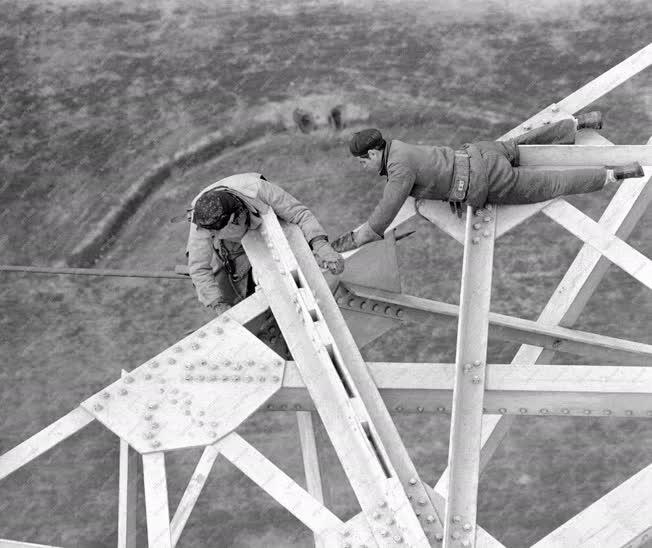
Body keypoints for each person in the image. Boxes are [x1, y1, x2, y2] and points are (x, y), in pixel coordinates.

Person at [332, 113, 644, 252]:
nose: (363, 167)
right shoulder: (399, 146)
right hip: (479, 152)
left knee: (548, 183)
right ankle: (578, 123)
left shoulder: (399, 170)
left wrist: (348, 243)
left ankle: (612, 174)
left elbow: (380, 219)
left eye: (363, 161)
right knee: (523, 144)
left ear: (375, 152)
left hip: (485, 181)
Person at [187, 172, 344, 314]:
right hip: (233, 246)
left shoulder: (258, 189)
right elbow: (198, 269)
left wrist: (322, 246)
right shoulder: (201, 224)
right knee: (236, 284)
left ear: (237, 219)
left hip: (267, 220)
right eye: (212, 234)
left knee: (295, 256)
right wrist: (218, 304)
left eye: (217, 233)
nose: (212, 235)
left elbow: (300, 214)